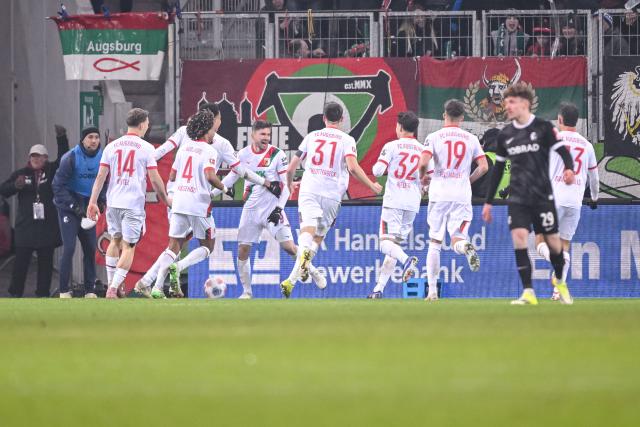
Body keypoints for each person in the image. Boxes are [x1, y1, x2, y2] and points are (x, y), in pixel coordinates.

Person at [134, 102, 281, 294]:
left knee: (175, 244)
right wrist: (261, 183)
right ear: (215, 120)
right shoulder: (218, 144)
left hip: (176, 196)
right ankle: (158, 279)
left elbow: (162, 157)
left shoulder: (184, 133)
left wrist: (138, 164)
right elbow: (237, 171)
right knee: (195, 245)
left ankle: (155, 284)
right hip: (197, 200)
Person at [482, 82, 576, 306]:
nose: (507, 107)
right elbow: (496, 172)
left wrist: (569, 169)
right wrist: (488, 202)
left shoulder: (543, 128)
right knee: (520, 238)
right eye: (506, 103)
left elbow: (563, 151)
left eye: (511, 102)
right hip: (518, 198)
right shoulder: (506, 135)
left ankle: (560, 281)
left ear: (525, 103)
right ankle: (528, 292)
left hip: (543, 196)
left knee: (554, 244)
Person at [212, 121, 326, 299]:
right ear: (253, 135)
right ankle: (247, 292)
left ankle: (313, 271)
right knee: (242, 250)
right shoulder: (242, 155)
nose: (266, 138)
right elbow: (230, 178)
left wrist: (279, 208)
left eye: (268, 135)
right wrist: (211, 194)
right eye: (262, 134)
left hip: (272, 208)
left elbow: (286, 185)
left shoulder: (277, 155)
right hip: (250, 210)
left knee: (289, 247)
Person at [281, 102, 383, 298]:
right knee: (317, 237)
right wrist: (371, 185)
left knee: (306, 231)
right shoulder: (347, 139)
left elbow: (291, 167)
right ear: (342, 119)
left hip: (309, 189)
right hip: (332, 194)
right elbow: (352, 168)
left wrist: (289, 183)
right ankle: (295, 277)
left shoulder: (312, 137)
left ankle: (295, 276)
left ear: (323, 118)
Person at [86, 108, 171, 299]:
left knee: (114, 240)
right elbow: (155, 180)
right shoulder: (147, 148)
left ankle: (112, 284)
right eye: (147, 123)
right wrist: (165, 199)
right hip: (132, 204)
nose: (148, 126)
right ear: (141, 125)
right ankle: (113, 288)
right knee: (129, 246)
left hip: (113, 202)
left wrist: (92, 202)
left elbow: (101, 176)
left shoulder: (111, 147)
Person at [150, 110, 227, 299]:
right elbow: (210, 176)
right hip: (198, 204)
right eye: (212, 129)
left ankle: (158, 287)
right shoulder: (209, 150)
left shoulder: (184, 148)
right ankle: (179, 266)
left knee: (173, 245)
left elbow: (173, 176)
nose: (213, 133)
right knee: (208, 246)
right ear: (206, 129)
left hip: (179, 201)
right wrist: (225, 188)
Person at [419, 100, 489, 301]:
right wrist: (469, 179)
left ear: (444, 115)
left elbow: (423, 162)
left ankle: (432, 292)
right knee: (458, 237)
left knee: (435, 242)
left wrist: (422, 177)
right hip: (461, 194)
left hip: (439, 193)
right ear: (462, 118)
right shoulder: (471, 138)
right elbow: (483, 166)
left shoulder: (433, 137)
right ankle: (464, 246)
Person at [535, 103, 599, 300]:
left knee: (539, 241)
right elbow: (594, 177)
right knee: (564, 244)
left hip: (553, 199)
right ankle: (558, 291)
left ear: (560, 120)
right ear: (577, 121)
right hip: (575, 202)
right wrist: (594, 198)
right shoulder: (587, 145)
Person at [0, 127, 69, 297]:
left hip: (46, 230)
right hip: (25, 230)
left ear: (46, 158)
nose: (36, 159)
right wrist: (15, 185)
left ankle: (43, 296)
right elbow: (3, 190)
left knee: (45, 267)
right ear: (29, 158)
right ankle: (15, 295)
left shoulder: (51, 172)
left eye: (40, 156)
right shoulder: (21, 174)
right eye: (33, 156)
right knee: (20, 266)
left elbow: (63, 159)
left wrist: (62, 138)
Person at [367, 112, 424, 299]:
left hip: (394, 201)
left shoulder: (392, 146)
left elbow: (377, 170)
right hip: (412, 203)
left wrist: (386, 164)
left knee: (385, 244)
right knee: (393, 248)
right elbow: (428, 177)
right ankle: (378, 289)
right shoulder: (423, 149)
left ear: (400, 127)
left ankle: (407, 260)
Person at [52, 126, 105, 298]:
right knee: (69, 248)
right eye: (90, 137)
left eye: (96, 137)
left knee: (90, 248)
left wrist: (101, 202)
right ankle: (64, 291)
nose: (94, 140)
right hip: (68, 205)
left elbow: (106, 181)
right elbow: (57, 186)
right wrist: (75, 207)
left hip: (88, 204)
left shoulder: (104, 157)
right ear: (83, 139)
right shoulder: (70, 157)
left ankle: (89, 290)